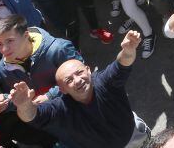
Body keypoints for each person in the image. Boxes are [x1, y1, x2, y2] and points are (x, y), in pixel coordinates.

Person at [10, 31, 150, 148]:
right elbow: (32, 116)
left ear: (88, 70)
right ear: (62, 89)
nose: (77, 81)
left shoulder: (104, 82)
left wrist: (128, 50)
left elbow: (122, 63)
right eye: (68, 80)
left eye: (79, 73)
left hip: (136, 137)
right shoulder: (60, 109)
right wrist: (23, 105)